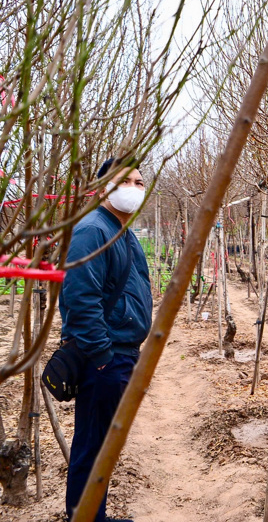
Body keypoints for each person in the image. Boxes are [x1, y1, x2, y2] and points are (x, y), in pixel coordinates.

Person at [60, 158, 152, 522]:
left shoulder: (122, 232)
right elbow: (81, 299)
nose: (133, 188)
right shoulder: (93, 231)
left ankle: (92, 514)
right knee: (93, 444)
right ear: (103, 189)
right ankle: (84, 517)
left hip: (120, 353)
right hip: (105, 356)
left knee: (103, 445)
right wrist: (102, 356)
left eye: (139, 182)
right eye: (124, 181)